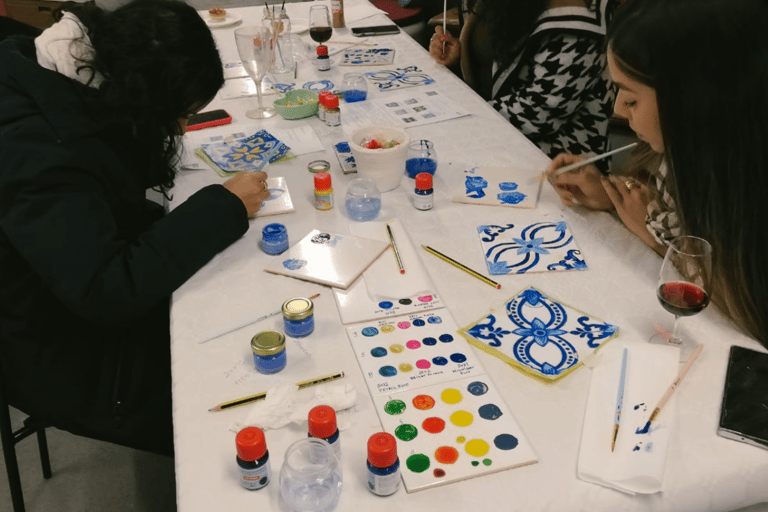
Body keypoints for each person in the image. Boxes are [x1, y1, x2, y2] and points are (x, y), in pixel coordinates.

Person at [0, 0, 270, 455]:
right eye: (180, 115)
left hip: (72, 294)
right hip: (55, 347)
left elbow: (100, 207)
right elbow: (106, 290)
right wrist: (222, 208)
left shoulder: (67, 83)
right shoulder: (39, 148)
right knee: (242, 408)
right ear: (142, 96)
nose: (183, 131)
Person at [547, 0, 768, 347]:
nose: (618, 109)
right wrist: (610, 196)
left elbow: (736, 304)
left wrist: (652, 237)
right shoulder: (678, 161)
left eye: (632, 99)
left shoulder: (745, 198)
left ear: (695, 102)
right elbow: (671, 218)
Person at [428, 0, 618, 161]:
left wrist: (459, 116)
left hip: (557, 165)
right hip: (491, 134)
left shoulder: (582, 21)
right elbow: (493, 68)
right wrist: (457, 61)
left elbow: (539, 113)